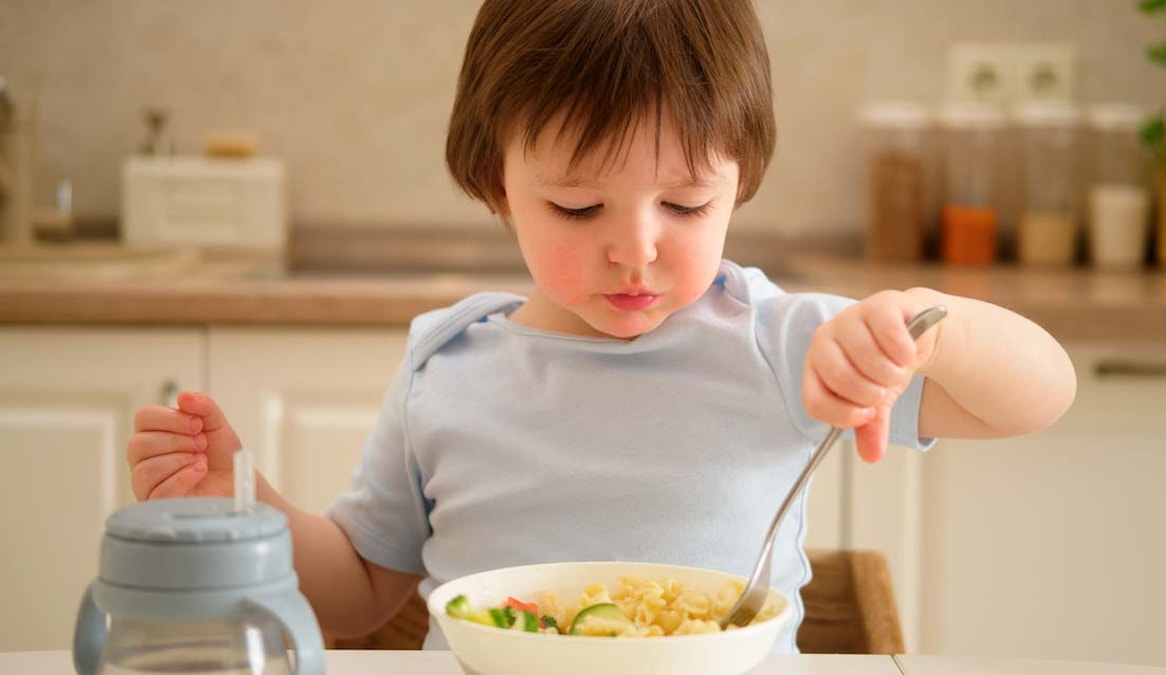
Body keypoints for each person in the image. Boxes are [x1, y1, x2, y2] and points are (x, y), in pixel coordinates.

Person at [126, 0, 1076, 654]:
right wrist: (241, 502)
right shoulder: (448, 367)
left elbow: (1043, 395)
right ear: (500, 185)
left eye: (689, 204)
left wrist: (925, 328)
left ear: (739, 180)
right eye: (580, 208)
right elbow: (360, 587)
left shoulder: (788, 346)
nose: (638, 251)